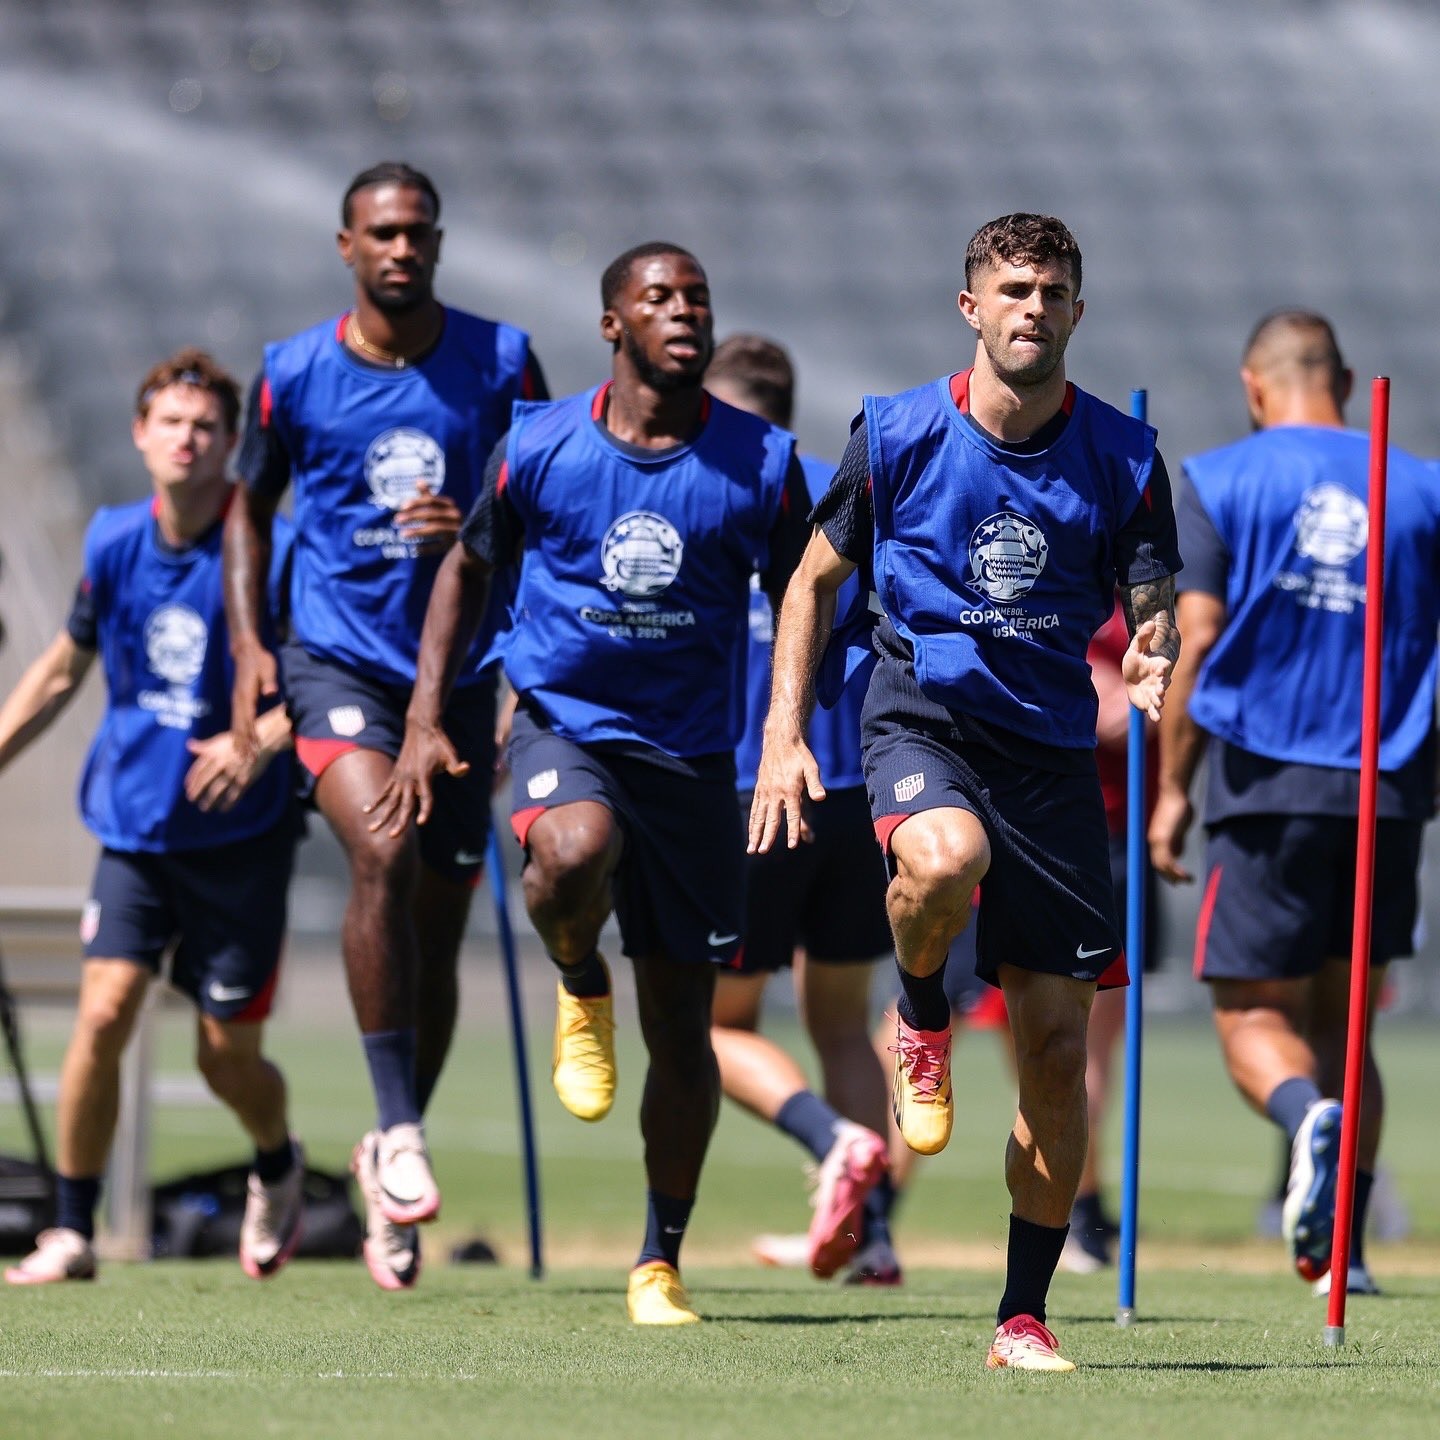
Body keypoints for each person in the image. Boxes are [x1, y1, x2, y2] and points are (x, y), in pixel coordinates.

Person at [750, 213, 1182, 1372]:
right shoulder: (895, 435)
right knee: (942, 861)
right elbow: (811, 579)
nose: (1032, 307)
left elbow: (1151, 605)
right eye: (1013, 288)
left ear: (1078, 313)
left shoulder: (1127, 456)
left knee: (1053, 1047)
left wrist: (1151, 650)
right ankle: (923, 1008)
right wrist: (785, 731)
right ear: (971, 307)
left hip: (1050, 763)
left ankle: (1023, 1315)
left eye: (1052, 291)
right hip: (923, 721)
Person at [368, 243, 810, 1324]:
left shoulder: (760, 460)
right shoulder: (540, 444)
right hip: (565, 725)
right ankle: (577, 973)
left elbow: (809, 587)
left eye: (697, 297)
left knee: (684, 1025)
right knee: (567, 852)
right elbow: (469, 567)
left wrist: (794, 728)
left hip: (696, 761)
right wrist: (426, 716)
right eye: (658, 298)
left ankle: (659, 1258)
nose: (683, 313)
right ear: (612, 324)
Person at [225, 161, 547, 1291]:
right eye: (382, 234)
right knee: (385, 843)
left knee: (437, 916)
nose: (401, 249)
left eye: (418, 232)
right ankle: (402, 1131)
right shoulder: (292, 374)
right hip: (335, 661)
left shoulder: (503, 363)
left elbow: (541, 506)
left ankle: (383, 1151)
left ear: (438, 244)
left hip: (461, 677)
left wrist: (482, 528)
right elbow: (246, 516)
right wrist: (257, 648)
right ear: (346, 246)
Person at [1150, 310, 1440, 1297]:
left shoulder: (1222, 480)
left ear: (1253, 383)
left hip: (1266, 782)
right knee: (1344, 1028)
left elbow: (1195, 640)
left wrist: (1171, 791)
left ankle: (1305, 1121)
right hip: (1387, 791)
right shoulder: (1423, 488)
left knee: (1248, 1019)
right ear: (1347, 382)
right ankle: (1344, 1259)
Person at [0, 350, 302, 1284]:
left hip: (240, 844)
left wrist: (258, 740)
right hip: (134, 832)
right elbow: (61, 666)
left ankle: (277, 1163)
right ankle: (73, 1229)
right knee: (104, 1013)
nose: (187, 439)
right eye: (170, 422)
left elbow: (327, 689)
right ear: (139, 436)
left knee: (225, 1059)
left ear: (233, 447)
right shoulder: (112, 541)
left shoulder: (274, 552)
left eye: (207, 427)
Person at [703, 335, 894, 1286]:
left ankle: (832, 1145)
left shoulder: (710, 484)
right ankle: (875, 1239)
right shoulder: (845, 490)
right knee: (841, 1022)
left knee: (714, 1023)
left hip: (755, 792)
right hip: (858, 790)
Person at [1062, 598, 1159, 1274]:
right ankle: (1075, 1211)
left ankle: (1082, 1210)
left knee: (1094, 1040)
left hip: (1122, 844)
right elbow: (1106, 712)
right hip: (1067, 837)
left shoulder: (1145, 603)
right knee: (1059, 1039)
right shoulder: (1077, 593)